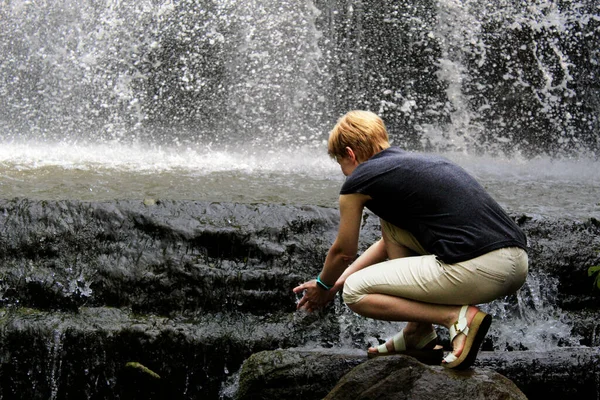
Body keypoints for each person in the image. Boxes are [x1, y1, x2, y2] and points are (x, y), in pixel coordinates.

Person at [293, 110, 528, 369]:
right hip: (515, 262)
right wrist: (335, 283)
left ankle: (456, 318)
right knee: (390, 228)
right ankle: (417, 331)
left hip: (481, 267)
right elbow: (387, 242)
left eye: (342, 167)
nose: (345, 175)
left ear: (350, 154)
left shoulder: (360, 180)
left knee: (355, 292)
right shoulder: (410, 165)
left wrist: (322, 286)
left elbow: (343, 253)